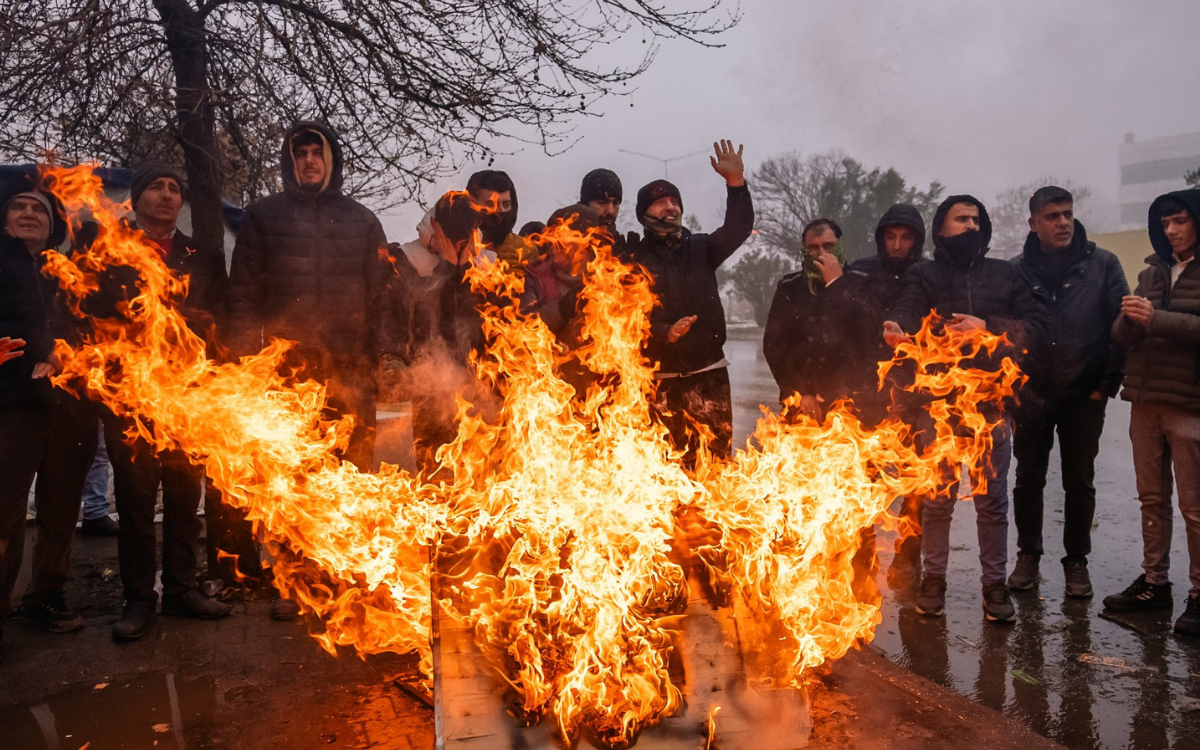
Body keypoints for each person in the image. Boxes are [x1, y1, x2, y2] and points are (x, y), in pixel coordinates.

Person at [884, 195, 1045, 623]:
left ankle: (994, 586)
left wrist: (988, 328)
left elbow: (1035, 328)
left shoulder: (1005, 274)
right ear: (942, 228)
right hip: (937, 407)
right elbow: (909, 305)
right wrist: (898, 326)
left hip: (990, 406)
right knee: (937, 502)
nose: (971, 225)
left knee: (992, 502)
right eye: (961, 218)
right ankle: (933, 579)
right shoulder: (925, 273)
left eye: (976, 219)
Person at [92, 162, 231, 642]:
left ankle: (180, 588)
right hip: (130, 393)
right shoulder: (109, 251)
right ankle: (137, 598)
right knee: (133, 499)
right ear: (137, 197)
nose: (168, 195)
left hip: (188, 394)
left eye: (175, 188)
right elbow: (87, 315)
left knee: (182, 496)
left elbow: (222, 316)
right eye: (157, 187)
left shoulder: (202, 254)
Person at [227, 122, 388, 472]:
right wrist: (246, 364)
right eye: (300, 154)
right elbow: (242, 297)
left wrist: (381, 362)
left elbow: (382, 301)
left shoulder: (363, 222)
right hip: (285, 373)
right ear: (290, 162)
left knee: (351, 481)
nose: (309, 161)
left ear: (333, 160)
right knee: (289, 482)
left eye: (317, 153)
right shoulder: (262, 217)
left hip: (350, 374)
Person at [1008, 186, 1128, 599]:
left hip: (1083, 394)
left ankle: (1076, 562)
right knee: (1028, 479)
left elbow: (1121, 328)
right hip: (1030, 395)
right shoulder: (1016, 270)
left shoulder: (1103, 265)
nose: (1063, 222)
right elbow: (1005, 332)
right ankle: (1028, 557)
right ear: (1033, 223)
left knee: (1080, 481)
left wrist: (1104, 386)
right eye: (1052, 216)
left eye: (1067, 214)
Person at [0, 182, 97, 657]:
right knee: (5, 512)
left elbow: (84, 326)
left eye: (38, 209)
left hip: (68, 403)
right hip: (12, 402)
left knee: (61, 507)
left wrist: (64, 352)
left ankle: (47, 595)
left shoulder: (65, 270)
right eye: (17, 207)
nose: (27, 214)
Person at [1103, 188, 1200, 638]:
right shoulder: (1152, 273)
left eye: (1180, 221)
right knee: (1152, 500)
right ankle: (1154, 583)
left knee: (1194, 508)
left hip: (1189, 405)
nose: (1172, 231)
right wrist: (1128, 319)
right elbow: (1124, 336)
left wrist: (1155, 318)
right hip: (1145, 402)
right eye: (1165, 224)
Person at [621, 140, 754, 463]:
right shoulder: (631, 260)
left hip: (709, 376)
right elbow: (624, 320)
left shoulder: (702, 248)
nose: (670, 207)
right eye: (660, 202)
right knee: (663, 473)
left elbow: (738, 228)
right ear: (644, 214)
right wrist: (665, 331)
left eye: (674, 201)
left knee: (715, 465)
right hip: (658, 383)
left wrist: (735, 184)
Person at [838, 205, 928, 589]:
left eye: (906, 237)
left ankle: (908, 559)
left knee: (916, 485)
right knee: (865, 481)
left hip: (915, 393)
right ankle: (863, 554)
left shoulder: (927, 275)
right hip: (867, 391)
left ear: (917, 239)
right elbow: (841, 328)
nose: (897, 244)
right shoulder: (860, 270)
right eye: (890, 236)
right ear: (880, 237)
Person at [379, 192, 490, 471]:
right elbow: (420, 322)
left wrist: (461, 272)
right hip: (407, 381)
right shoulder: (401, 260)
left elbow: (469, 330)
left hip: (458, 391)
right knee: (396, 474)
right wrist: (446, 270)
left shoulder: (483, 266)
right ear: (435, 227)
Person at [763, 218, 864, 421]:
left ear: (839, 246)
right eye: (813, 247)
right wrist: (800, 391)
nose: (821, 253)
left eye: (829, 246)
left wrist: (837, 283)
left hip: (848, 400)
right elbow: (775, 345)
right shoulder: (790, 286)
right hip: (800, 399)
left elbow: (864, 334)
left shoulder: (861, 281)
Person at [466, 170, 534, 269]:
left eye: (506, 204)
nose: (500, 210)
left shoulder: (526, 249)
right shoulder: (459, 245)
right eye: (490, 204)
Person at [580, 168, 624, 249]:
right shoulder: (559, 242)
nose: (610, 211)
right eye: (602, 202)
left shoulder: (623, 249)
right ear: (585, 204)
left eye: (616, 203)